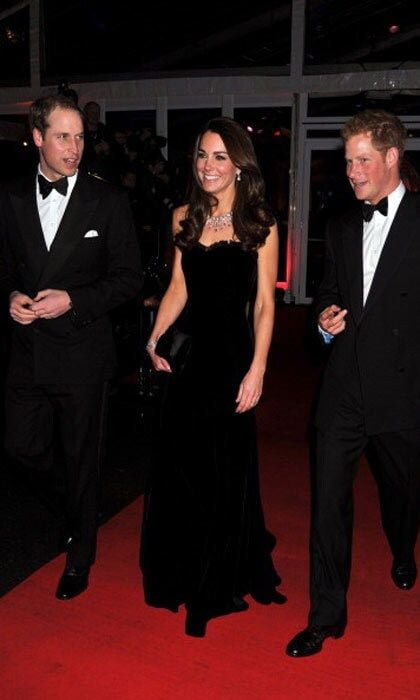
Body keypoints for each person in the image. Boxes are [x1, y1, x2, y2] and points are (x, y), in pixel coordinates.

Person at [140, 116, 287, 637]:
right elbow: (178, 288)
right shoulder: (182, 215)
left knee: (224, 472)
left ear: (240, 165)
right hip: (190, 361)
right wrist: (155, 338)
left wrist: (259, 368)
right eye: (202, 155)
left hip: (231, 361)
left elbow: (266, 305)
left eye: (220, 157)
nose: (208, 166)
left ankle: (218, 576)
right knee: (183, 469)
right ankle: (183, 570)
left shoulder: (260, 222)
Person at [286, 109, 420, 658]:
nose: (353, 171)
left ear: (392, 157)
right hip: (343, 393)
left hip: (403, 394)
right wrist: (323, 319)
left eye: (363, 160)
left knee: (403, 495)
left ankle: (403, 545)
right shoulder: (342, 225)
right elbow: (329, 290)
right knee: (328, 507)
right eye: (348, 161)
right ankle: (325, 617)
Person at [0, 94, 142, 601]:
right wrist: (11, 296)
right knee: (20, 446)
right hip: (28, 353)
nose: (75, 147)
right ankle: (72, 507)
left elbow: (128, 278)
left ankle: (81, 554)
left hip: (82, 354)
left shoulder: (107, 200)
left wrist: (74, 300)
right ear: (37, 137)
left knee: (84, 459)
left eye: (80, 136)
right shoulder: (11, 196)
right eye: (63, 136)